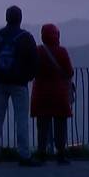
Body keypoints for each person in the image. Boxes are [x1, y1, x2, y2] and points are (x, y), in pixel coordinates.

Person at [0, 6, 40, 166]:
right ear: (20, 19)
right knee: (21, 119)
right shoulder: (26, 38)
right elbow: (35, 62)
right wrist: (27, 77)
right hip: (19, 85)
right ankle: (24, 155)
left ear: (6, 18)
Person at [31, 24, 74, 165]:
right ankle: (60, 154)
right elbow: (69, 72)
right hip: (59, 94)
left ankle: (41, 153)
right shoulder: (62, 52)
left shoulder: (37, 51)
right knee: (60, 125)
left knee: (42, 126)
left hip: (41, 94)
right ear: (57, 35)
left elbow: (33, 71)